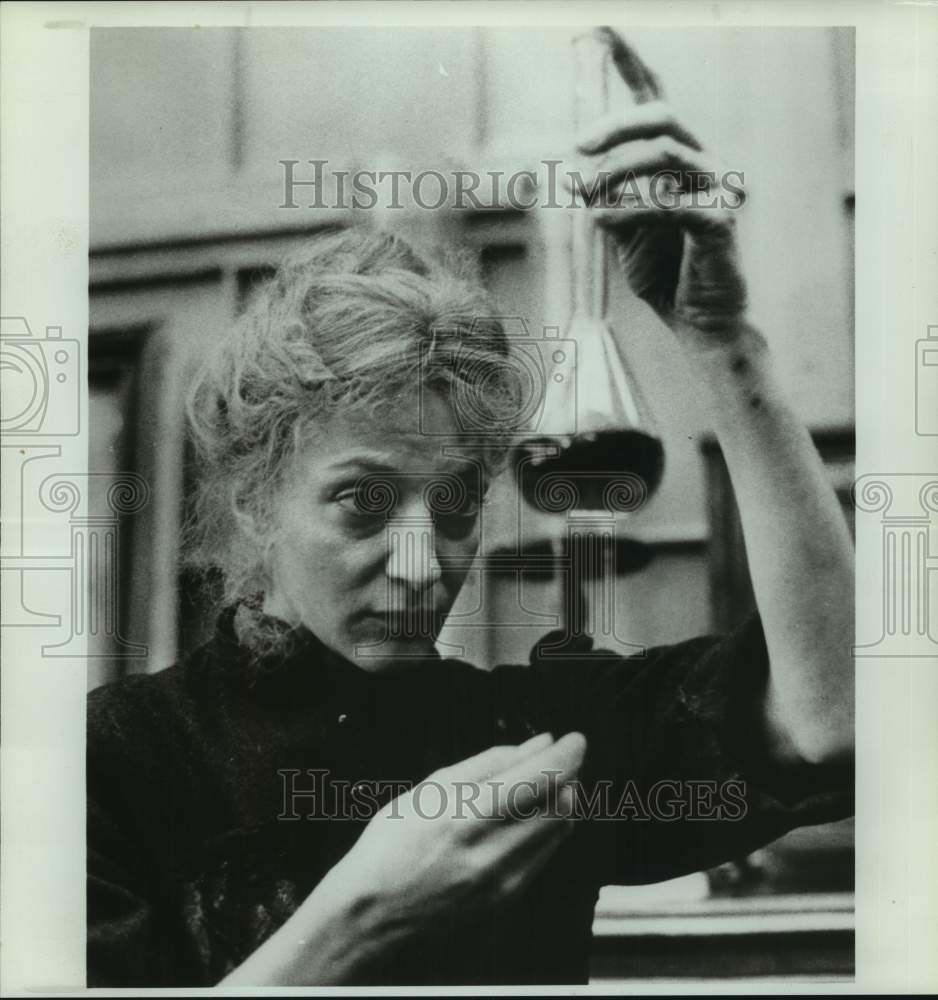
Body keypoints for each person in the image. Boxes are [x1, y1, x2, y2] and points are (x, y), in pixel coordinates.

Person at [86, 44, 854, 987]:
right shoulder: (109, 765)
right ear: (254, 499)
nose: (423, 566)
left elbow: (834, 716)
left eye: (455, 505)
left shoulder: (532, 744)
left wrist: (723, 341)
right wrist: (362, 915)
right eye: (364, 502)